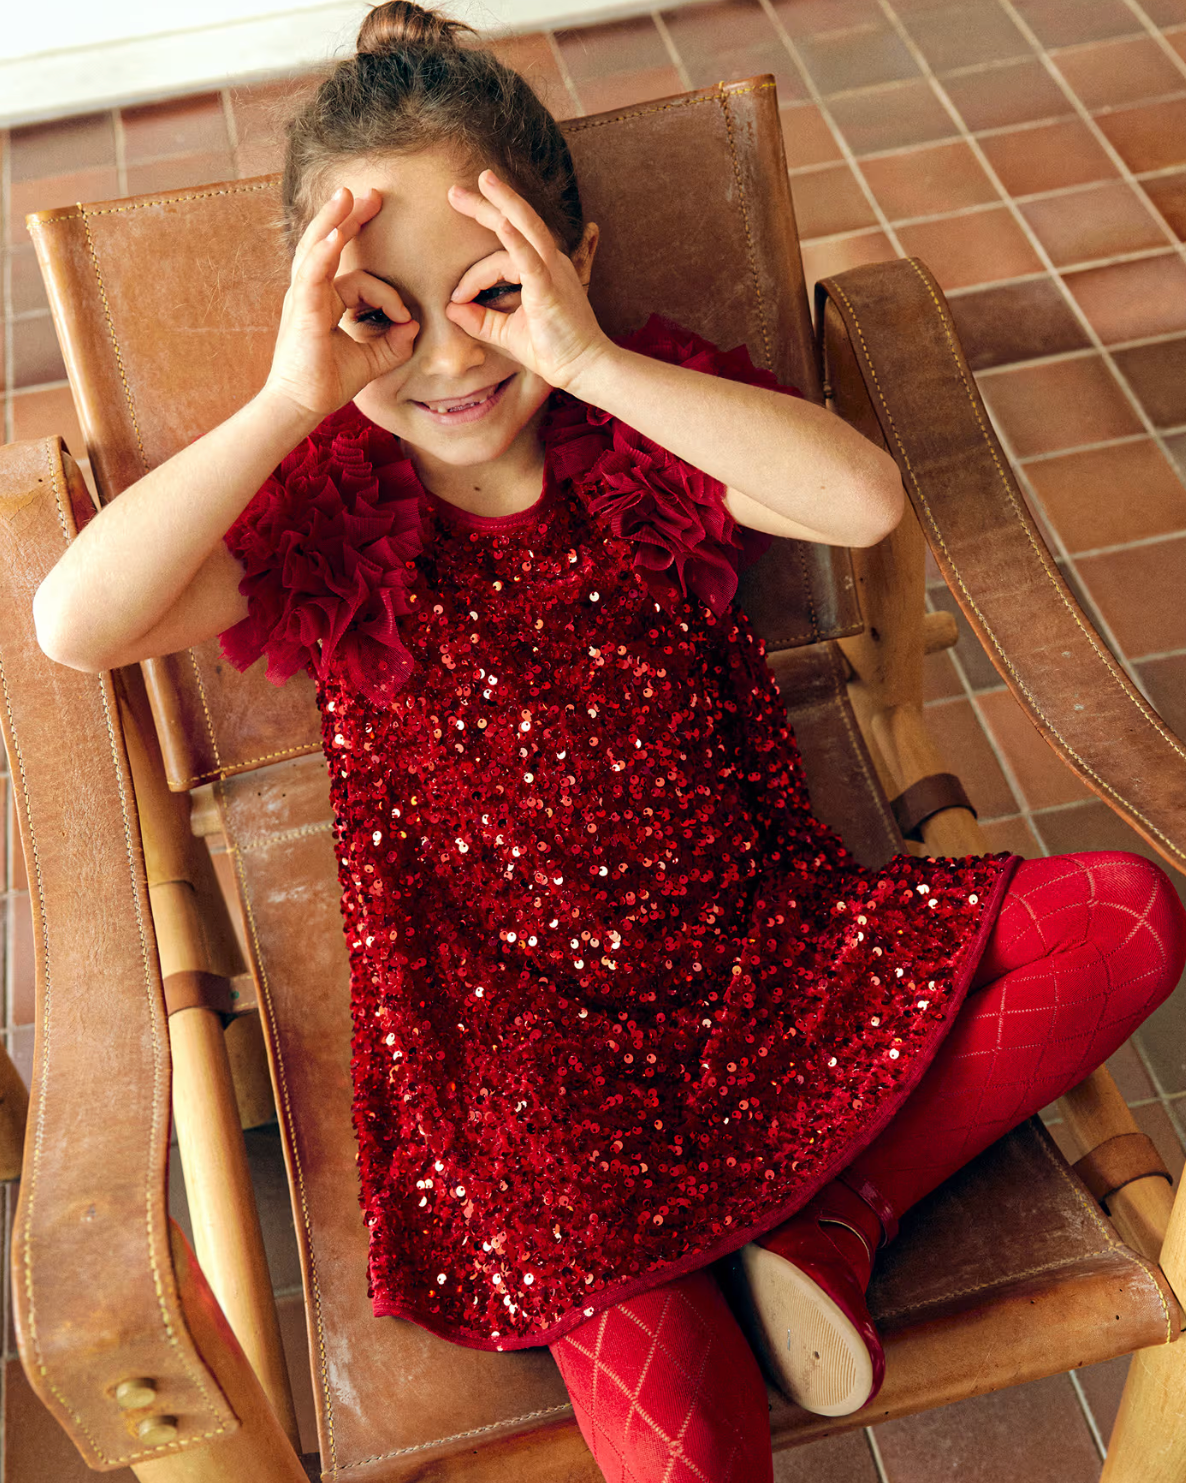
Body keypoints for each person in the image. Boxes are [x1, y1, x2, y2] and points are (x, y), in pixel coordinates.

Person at [33, 4, 1186, 1478]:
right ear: (319, 315)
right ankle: (767, 1238)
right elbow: (78, 619)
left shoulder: (650, 420)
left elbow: (858, 504)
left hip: (767, 955)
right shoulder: (330, 508)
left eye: (492, 292)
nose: (448, 353)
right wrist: (283, 396)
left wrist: (588, 360)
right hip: (527, 1068)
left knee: (1128, 914)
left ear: (568, 262)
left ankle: (837, 1215)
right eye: (382, 311)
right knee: (679, 1433)